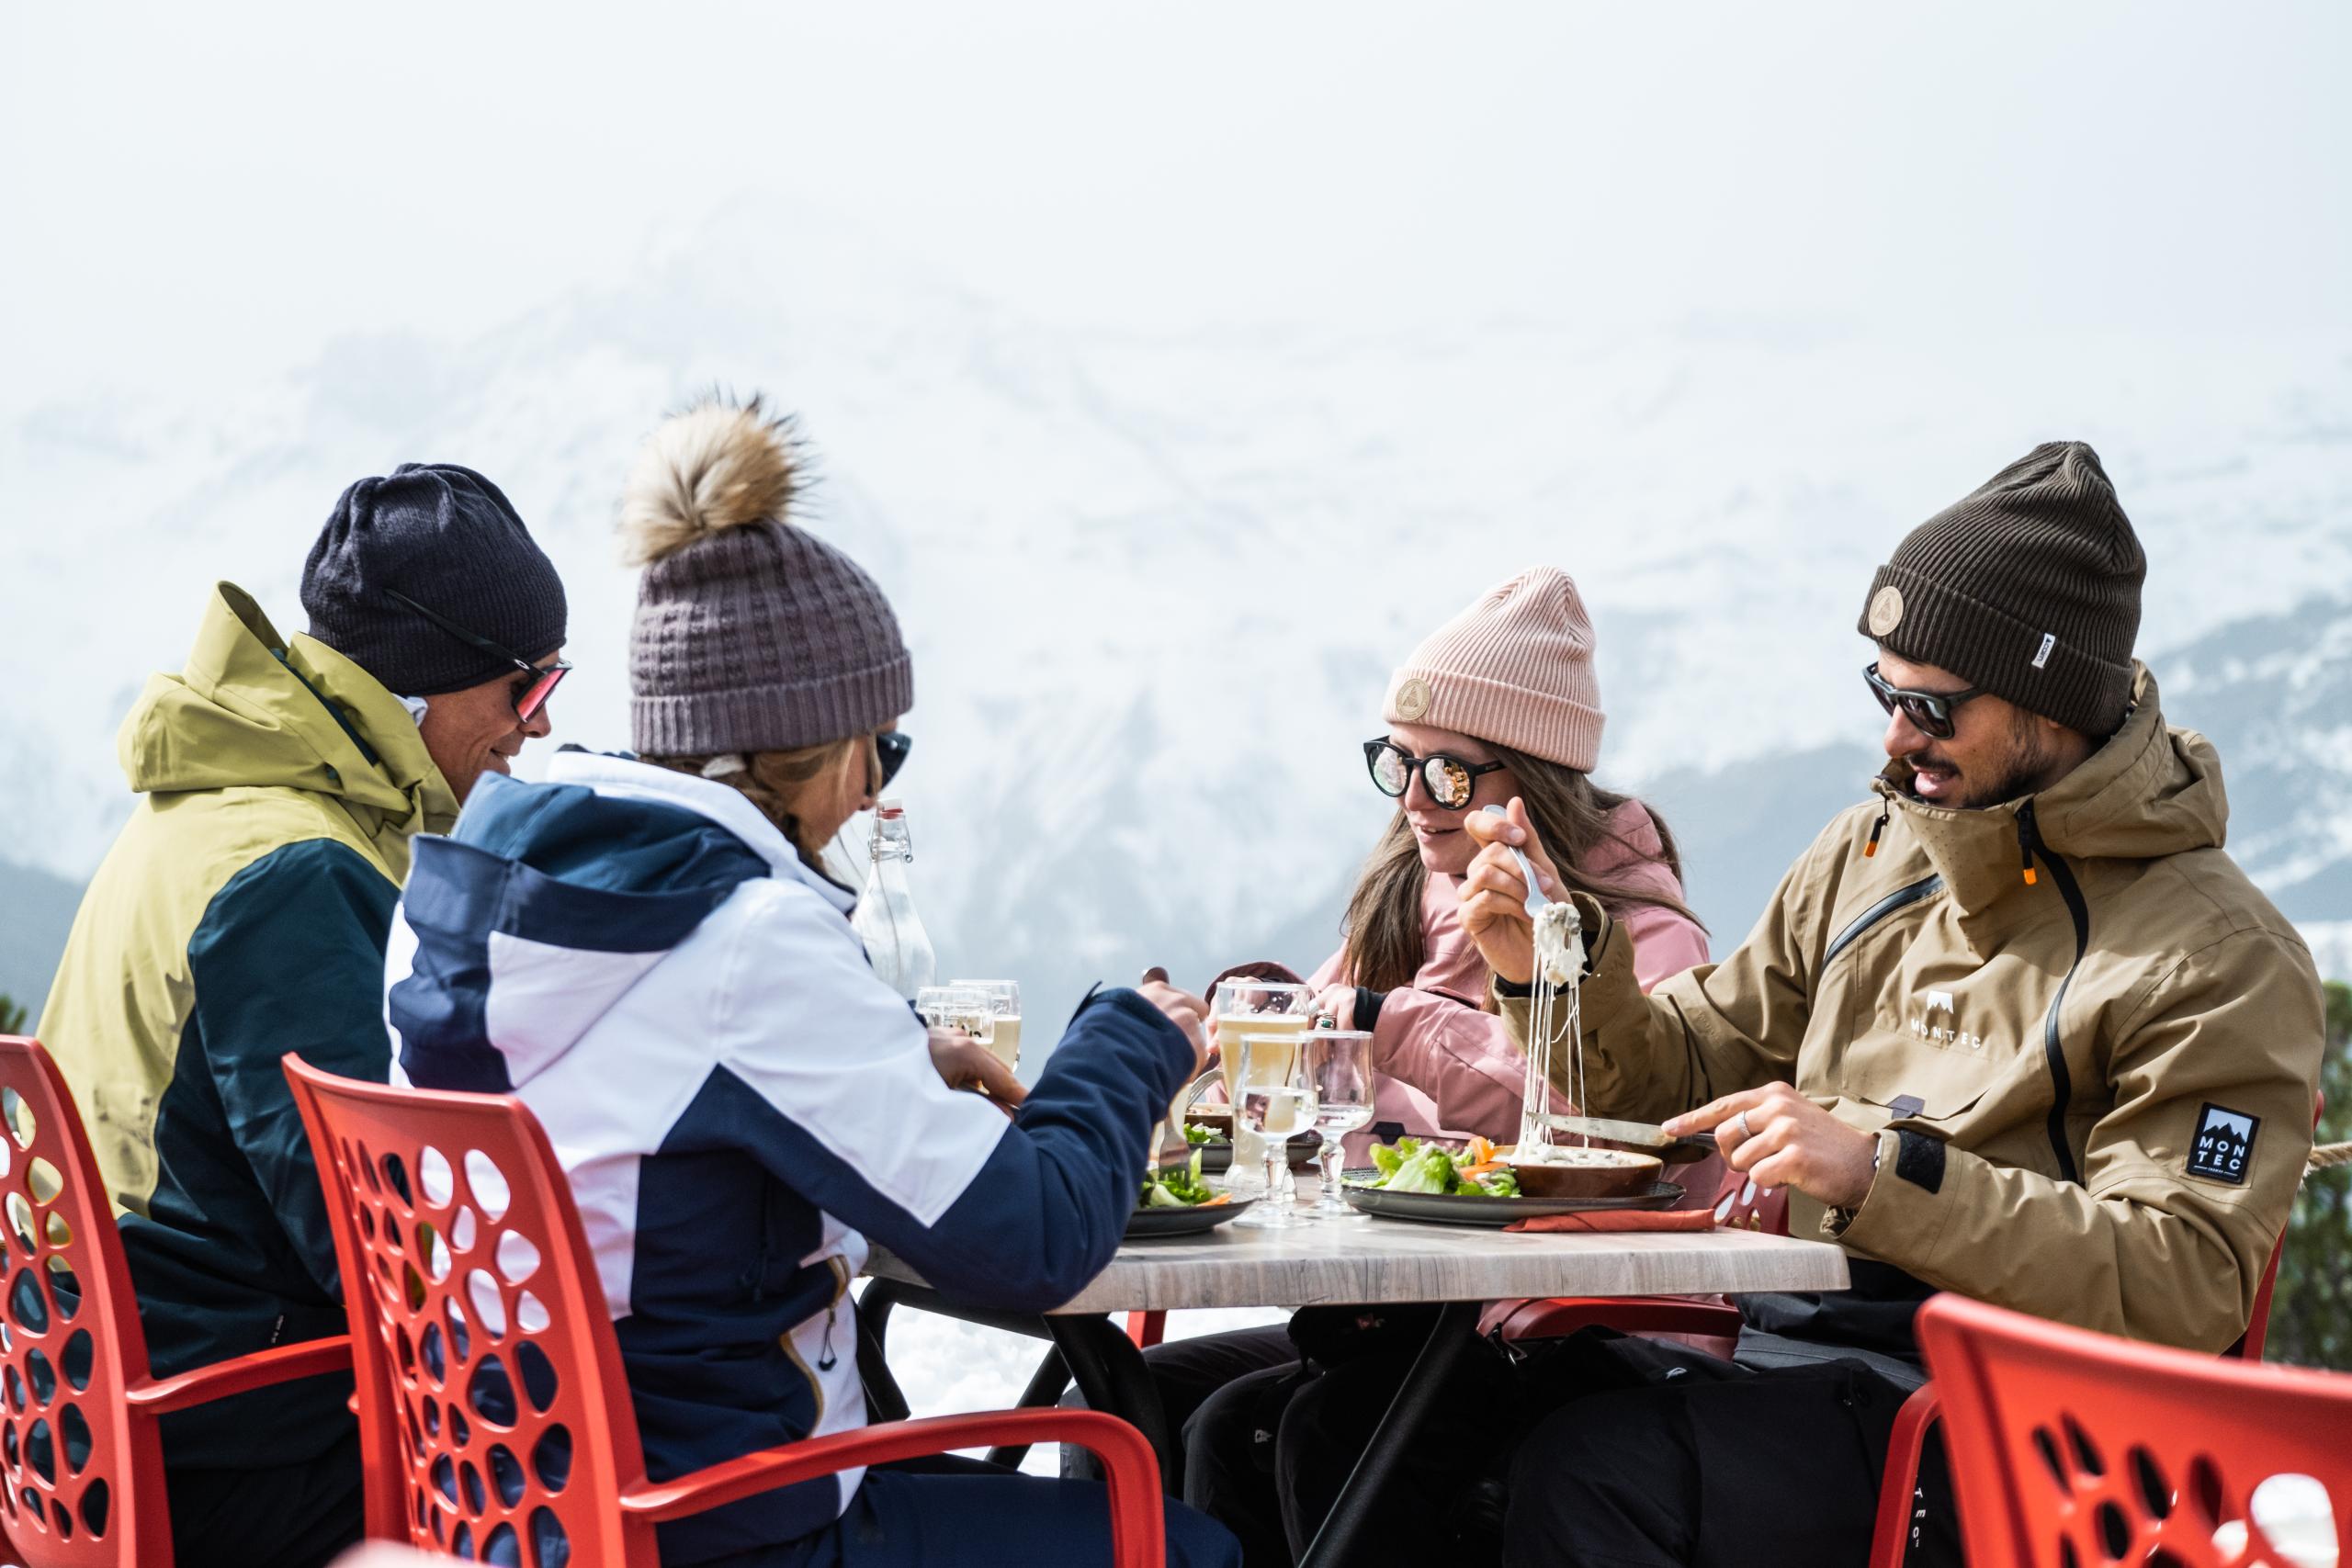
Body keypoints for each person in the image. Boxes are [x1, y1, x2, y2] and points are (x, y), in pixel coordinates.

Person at [1430, 440, 2324, 1567]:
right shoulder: (1872, 853)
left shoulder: (2218, 956)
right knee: (1347, 1430)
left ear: (2051, 705)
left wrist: (1875, 1172)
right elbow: (1671, 1069)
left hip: (2001, 1423)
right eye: (1884, 693)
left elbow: (2180, 1282)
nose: (1895, 739)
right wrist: (1545, 966)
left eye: (1933, 708)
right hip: (1786, 1355)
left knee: (1598, 1474)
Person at [385, 394, 1241, 1568]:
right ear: (821, 749)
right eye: (882, 751)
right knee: (1182, 1542)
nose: (879, 795)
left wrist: (893, 1053)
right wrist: (1131, 1035)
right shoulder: (742, 935)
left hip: (520, 1503)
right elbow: (1033, 1241)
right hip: (722, 1520)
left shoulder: (471, 887)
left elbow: (655, 1102)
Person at [36, 464, 569, 1568]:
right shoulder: (295, 873)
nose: (537, 726)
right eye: (526, 687)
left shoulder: (207, 814)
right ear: (422, 684)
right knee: (632, 1478)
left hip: (80, 1415)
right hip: (222, 1444)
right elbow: (385, 1255)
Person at [1140, 569, 1712, 1562]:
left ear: (1532, 783)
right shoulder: (1411, 901)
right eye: (1395, 762)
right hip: (1403, 1320)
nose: (1412, 798)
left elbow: (1604, 1129)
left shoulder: (1643, 940)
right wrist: (1211, 1060)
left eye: (1448, 772)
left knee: (1303, 1433)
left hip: (1572, 1329)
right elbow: (1303, 1075)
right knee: (1137, 1408)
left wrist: (1390, 1028)